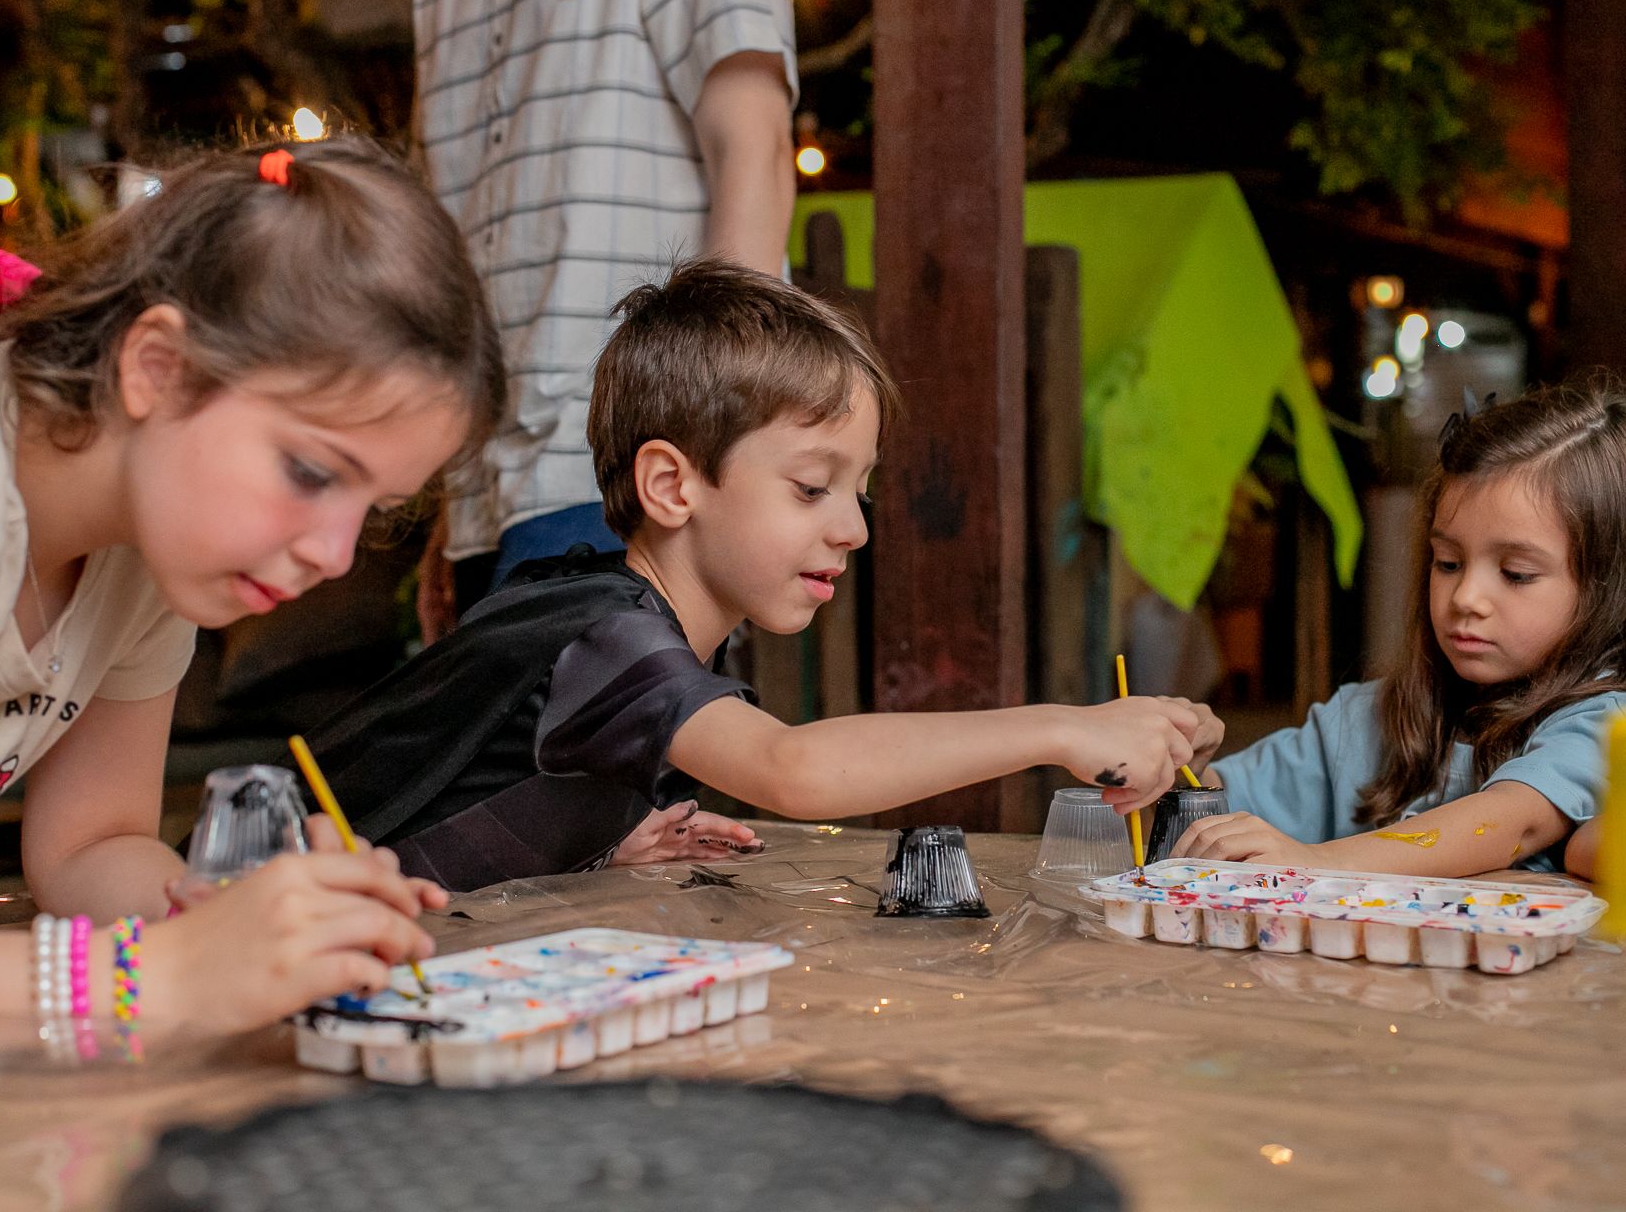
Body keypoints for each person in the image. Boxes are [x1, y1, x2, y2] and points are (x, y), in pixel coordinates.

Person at [0, 139, 504, 1044]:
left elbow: (90, 846)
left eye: (379, 506)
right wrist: (144, 979)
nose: (335, 553)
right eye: (313, 470)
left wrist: (241, 925)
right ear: (156, 366)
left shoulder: (149, 544)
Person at [299, 260, 1219, 891]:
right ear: (672, 485)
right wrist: (1064, 726)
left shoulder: (612, 619)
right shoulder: (607, 633)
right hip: (231, 922)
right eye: (812, 487)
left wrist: (587, 842)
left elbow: (466, 811)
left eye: (859, 492)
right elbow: (794, 771)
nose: (853, 528)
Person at [410, 0, 800, 635]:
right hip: (485, 492)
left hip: (634, 465)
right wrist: (450, 505)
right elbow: (460, 234)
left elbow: (757, 149)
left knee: (640, 737)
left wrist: (708, 452)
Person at [1175, 380, 1626, 876]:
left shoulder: (1608, 724)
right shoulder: (1367, 720)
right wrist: (1180, 769)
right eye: (1448, 562)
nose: (1465, 598)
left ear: (1608, 586)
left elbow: (1508, 823)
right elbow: (1222, 810)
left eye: (1515, 574)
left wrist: (1314, 862)